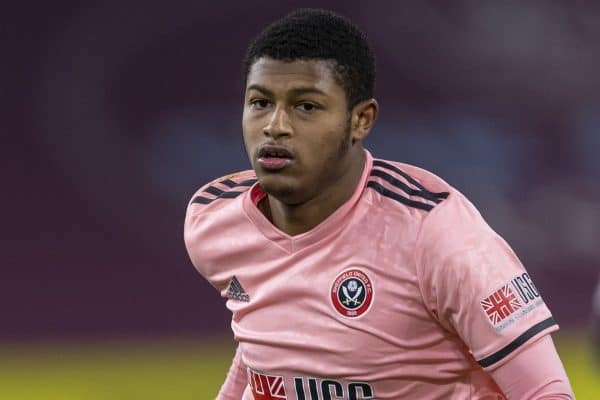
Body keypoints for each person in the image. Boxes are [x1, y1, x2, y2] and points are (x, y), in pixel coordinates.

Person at [184, 8, 574, 399]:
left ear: (361, 120)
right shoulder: (214, 221)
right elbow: (262, 344)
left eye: (306, 106)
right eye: (260, 103)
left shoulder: (436, 235)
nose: (275, 125)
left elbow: (547, 391)